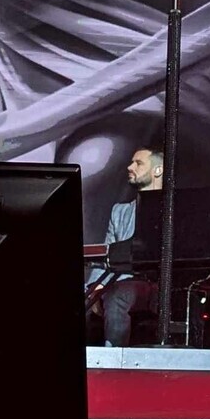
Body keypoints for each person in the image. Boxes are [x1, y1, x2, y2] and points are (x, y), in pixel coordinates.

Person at [85, 147, 163, 346]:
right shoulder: (119, 212)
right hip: (121, 280)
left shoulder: (171, 209)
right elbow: (108, 252)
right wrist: (96, 286)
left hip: (156, 284)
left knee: (119, 294)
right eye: (131, 162)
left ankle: (115, 355)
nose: (130, 167)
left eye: (139, 163)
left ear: (158, 170)